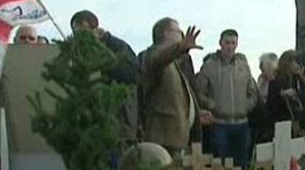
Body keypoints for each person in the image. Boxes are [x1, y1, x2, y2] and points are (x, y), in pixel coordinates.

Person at [140, 18, 212, 157]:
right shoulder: (152, 54)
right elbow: (160, 59)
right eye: (179, 31)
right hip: (163, 136)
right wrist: (179, 48)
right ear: (166, 33)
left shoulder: (174, 63)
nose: (182, 35)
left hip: (176, 136)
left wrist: (195, 113)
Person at [70, 10, 139, 143]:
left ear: (95, 29)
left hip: (119, 118)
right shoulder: (77, 51)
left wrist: (102, 59)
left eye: (83, 32)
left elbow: (132, 73)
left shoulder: (118, 46)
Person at [196, 29, 258, 170]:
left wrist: (246, 106)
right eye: (227, 43)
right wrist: (212, 105)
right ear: (220, 43)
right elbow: (199, 92)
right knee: (220, 166)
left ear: (237, 45)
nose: (230, 46)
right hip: (219, 123)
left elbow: (253, 92)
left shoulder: (244, 66)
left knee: (242, 165)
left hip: (242, 123)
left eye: (233, 43)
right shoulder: (209, 66)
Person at [266, 49, 305, 140]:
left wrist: (303, 81)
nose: (297, 65)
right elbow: (271, 106)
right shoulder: (275, 82)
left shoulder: (297, 79)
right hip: (281, 123)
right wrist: (282, 95)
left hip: (297, 122)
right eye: (295, 62)